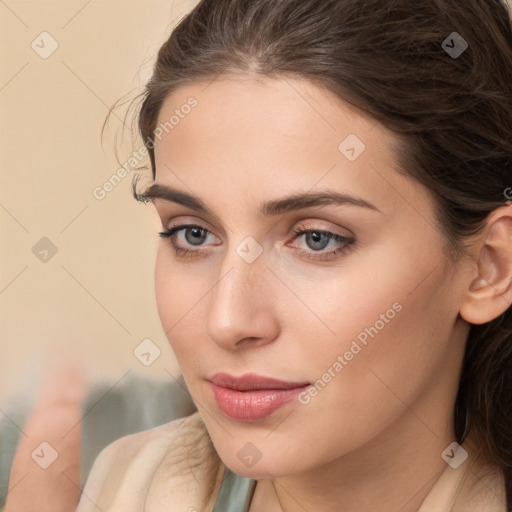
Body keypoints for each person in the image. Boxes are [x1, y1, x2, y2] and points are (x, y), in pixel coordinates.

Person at [5, 0, 512, 510]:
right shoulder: (124, 488)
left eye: (318, 238)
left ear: (490, 268)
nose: (227, 322)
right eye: (193, 234)